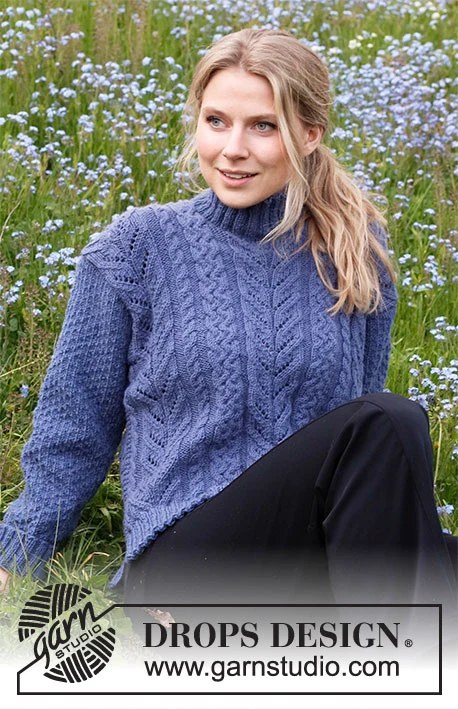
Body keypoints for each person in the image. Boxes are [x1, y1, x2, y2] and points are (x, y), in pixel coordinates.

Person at [0, 29, 456, 618]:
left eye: (263, 126)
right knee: (389, 418)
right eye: (216, 121)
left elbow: (360, 458)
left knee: (391, 445)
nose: (232, 148)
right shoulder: (138, 247)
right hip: (188, 556)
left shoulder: (354, 251)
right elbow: (76, 420)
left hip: (306, 550)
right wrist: (17, 552)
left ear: (310, 134)